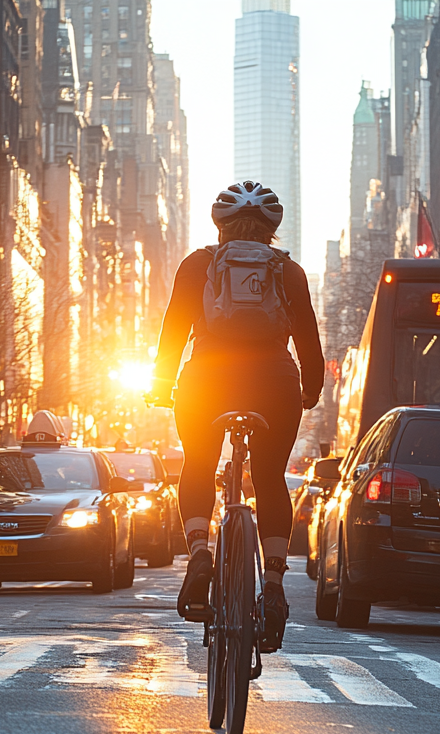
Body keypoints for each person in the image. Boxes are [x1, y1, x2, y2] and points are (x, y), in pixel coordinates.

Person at [147, 181, 324, 652]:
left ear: (220, 225)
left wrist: (162, 384)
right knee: (269, 478)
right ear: (271, 229)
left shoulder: (198, 264)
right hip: (274, 381)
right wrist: (310, 389)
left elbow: (173, 330)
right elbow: (308, 338)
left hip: (208, 378)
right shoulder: (289, 271)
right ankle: (273, 582)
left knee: (198, 464)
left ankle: (200, 553)